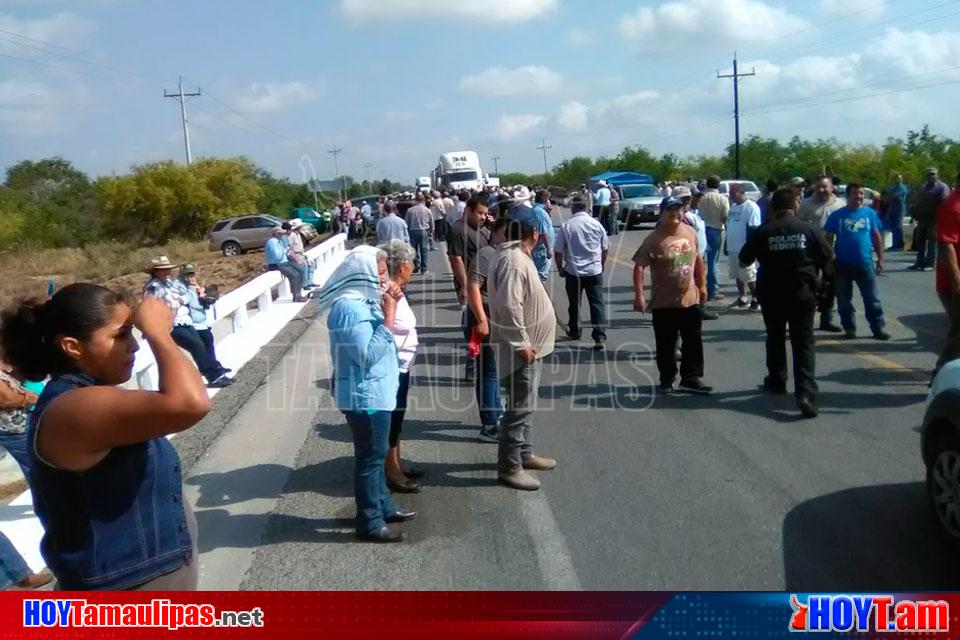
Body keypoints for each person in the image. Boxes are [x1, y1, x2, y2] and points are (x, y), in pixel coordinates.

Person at [0, 286, 211, 589]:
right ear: (73, 347)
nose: (135, 347)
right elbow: (191, 403)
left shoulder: (90, 394)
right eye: (121, 335)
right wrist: (158, 333)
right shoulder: (73, 407)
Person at [317, 247, 414, 543]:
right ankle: (370, 521)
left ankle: (383, 507)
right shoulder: (348, 307)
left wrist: (392, 299)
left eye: (384, 272)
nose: (384, 278)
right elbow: (366, 354)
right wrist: (389, 314)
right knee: (370, 460)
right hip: (365, 397)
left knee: (377, 453)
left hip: (376, 392)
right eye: (380, 272)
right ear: (363, 273)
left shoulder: (364, 300)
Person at [739, 188, 834, 418]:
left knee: (775, 337)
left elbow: (744, 260)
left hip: (772, 295)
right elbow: (828, 257)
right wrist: (824, 285)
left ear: (772, 208)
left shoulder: (764, 231)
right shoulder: (808, 229)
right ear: (796, 205)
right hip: (803, 294)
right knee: (803, 343)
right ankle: (805, 393)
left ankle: (777, 380)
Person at [489, 206, 557, 491]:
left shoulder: (516, 256)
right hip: (521, 349)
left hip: (530, 347)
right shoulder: (515, 260)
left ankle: (524, 454)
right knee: (519, 409)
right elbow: (508, 305)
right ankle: (510, 466)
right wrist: (522, 343)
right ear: (535, 233)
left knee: (526, 406)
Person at [633, 197, 712, 395]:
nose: (675, 213)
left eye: (678, 209)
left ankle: (691, 378)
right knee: (666, 344)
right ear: (662, 213)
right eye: (670, 210)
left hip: (690, 299)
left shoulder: (691, 232)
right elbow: (640, 266)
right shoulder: (654, 239)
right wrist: (639, 295)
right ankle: (666, 379)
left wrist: (702, 285)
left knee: (693, 340)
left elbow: (699, 260)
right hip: (664, 302)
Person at [0, 361, 54, 590]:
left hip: (19, 426)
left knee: (45, 480)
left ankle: (17, 577)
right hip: (15, 428)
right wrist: (28, 398)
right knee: (45, 480)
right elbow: (4, 398)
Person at [143, 257, 233, 388]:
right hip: (171, 323)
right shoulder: (154, 286)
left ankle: (215, 373)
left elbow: (186, 297)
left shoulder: (169, 283)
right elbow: (149, 303)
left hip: (185, 320)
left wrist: (179, 300)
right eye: (163, 270)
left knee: (200, 345)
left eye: (168, 269)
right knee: (196, 345)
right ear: (156, 272)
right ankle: (212, 377)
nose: (167, 272)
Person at [378, 240, 422, 494]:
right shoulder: (387, 292)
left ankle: (397, 462)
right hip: (391, 367)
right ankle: (391, 470)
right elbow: (387, 326)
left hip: (402, 365)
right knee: (392, 419)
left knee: (398, 418)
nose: (414, 268)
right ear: (403, 265)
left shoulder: (397, 289)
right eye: (412, 264)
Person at [823, 183, 890, 341]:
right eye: (855, 194)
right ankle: (849, 327)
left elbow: (876, 237)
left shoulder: (870, 214)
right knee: (844, 298)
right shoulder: (837, 215)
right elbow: (828, 238)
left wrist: (880, 258)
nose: (858, 197)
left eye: (861, 194)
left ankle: (878, 327)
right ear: (847, 196)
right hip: (842, 264)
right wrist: (829, 259)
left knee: (872, 297)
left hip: (865, 263)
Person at [466, 217, 508, 444]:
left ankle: (495, 413)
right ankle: (490, 423)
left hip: (501, 321)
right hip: (486, 319)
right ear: (497, 232)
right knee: (489, 371)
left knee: (496, 371)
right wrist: (482, 319)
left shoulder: (506, 255)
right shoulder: (486, 254)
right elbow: (472, 286)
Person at [554, 195, 608, 349]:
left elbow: (558, 251)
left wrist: (560, 268)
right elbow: (605, 248)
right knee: (597, 304)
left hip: (573, 271)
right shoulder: (596, 224)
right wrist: (601, 264)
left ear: (573, 208)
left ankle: (575, 330)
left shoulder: (567, 226)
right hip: (594, 271)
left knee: (574, 303)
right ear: (586, 207)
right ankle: (599, 336)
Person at [799, 176, 845, 332]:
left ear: (832, 188)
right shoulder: (805, 205)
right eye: (818, 187)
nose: (821, 190)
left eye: (825, 187)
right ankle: (807, 321)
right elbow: (800, 228)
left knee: (829, 287)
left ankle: (826, 320)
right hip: (810, 253)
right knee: (809, 287)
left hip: (831, 253)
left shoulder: (840, 205)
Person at [178, 263, 230, 381]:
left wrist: (204, 296)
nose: (190, 277)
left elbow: (202, 305)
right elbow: (193, 304)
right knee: (202, 348)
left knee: (209, 344)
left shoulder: (195, 286)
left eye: (192, 274)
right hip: (194, 324)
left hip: (202, 322)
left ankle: (215, 366)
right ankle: (211, 372)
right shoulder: (184, 289)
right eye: (187, 275)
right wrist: (196, 292)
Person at [935, 169, 960, 375]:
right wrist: (957, 283)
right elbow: (946, 245)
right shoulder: (952, 206)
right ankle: (939, 377)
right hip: (953, 283)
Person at [726, 183, 762, 311]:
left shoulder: (751, 207)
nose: (731, 196)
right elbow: (729, 225)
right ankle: (742, 297)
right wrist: (726, 244)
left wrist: (751, 249)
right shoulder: (733, 207)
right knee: (737, 274)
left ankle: (756, 299)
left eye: (733, 193)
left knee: (749, 274)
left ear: (741, 192)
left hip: (744, 247)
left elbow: (754, 228)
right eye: (730, 193)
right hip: (732, 246)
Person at [910, 168, 951, 271]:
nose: (931, 176)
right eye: (929, 174)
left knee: (932, 242)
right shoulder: (923, 187)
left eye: (933, 174)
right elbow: (918, 201)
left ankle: (931, 263)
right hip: (922, 219)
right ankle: (919, 262)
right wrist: (914, 214)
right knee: (920, 241)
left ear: (937, 175)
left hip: (934, 219)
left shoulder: (942, 187)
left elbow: (944, 202)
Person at [698, 176, 729, 301]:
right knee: (713, 261)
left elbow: (698, 213)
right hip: (716, 230)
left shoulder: (702, 198)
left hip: (702, 229)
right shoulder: (722, 199)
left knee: (700, 260)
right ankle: (713, 289)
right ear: (718, 185)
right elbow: (725, 216)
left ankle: (702, 285)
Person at [264, 227, 307, 302]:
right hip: (277, 264)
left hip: (284, 262)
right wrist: (284, 250)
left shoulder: (279, 241)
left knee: (300, 269)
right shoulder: (272, 242)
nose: (283, 235)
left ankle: (299, 292)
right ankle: (296, 296)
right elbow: (277, 256)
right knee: (294, 275)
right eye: (281, 233)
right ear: (276, 234)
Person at [405, 193, 434, 274]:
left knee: (414, 250)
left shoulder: (410, 210)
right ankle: (424, 269)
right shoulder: (427, 210)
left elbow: (406, 223)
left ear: (415, 200)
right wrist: (431, 232)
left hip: (413, 231)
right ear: (423, 200)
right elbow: (431, 222)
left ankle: (416, 265)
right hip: (424, 230)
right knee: (424, 250)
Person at [531, 190, 555, 281]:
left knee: (542, 273)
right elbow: (542, 232)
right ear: (546, 200)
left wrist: (548, 211)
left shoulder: (541, 210)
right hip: (542, 248)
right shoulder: (539, 212)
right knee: (541, 275)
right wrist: (548, 248)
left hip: (543, 247)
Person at [285, 219, 315, 290]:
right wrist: (296, 258)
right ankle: (304, 284)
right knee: (304, 265)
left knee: (312, 263)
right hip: (295, 254)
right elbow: (290, 249)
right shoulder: (291, 236)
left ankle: (309, 281)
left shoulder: (298, 235)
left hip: (301, 253)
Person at [884, 174, 909, 251]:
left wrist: (893, 196)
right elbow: (888, 197)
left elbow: (896, 196)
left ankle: (899, 245)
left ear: (902, 179)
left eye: (899, 178)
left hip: (899, 209)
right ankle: (894, 245)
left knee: (898, 227)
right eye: (896, 178)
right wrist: (892, 197)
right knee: (892, 227)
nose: (897, 180)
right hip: (892, 209)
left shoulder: (903, 188)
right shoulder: (892, 188)